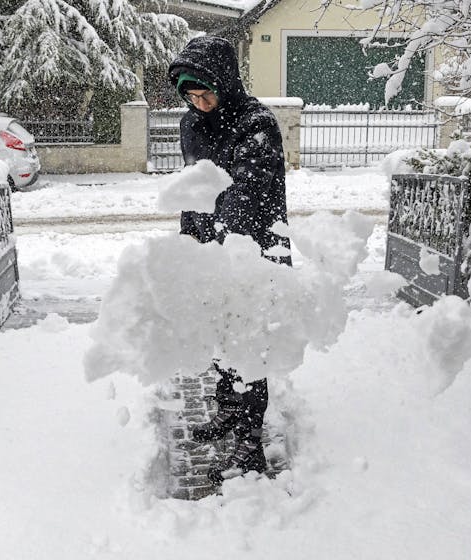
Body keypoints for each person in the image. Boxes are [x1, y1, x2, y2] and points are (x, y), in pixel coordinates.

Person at [168, 36, 292, 484]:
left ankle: (250, 444)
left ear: (226, 82)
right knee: (221, 339)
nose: (199, 103)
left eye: (205, 93)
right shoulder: (191, 124)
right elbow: (193, 188)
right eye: (190, 95)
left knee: (250, 345)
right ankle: (227, 412)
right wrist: (190, 244)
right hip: (208, 248)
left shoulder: (256, 122)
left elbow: (251, 192)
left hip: (252, 248)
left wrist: (227, 242)